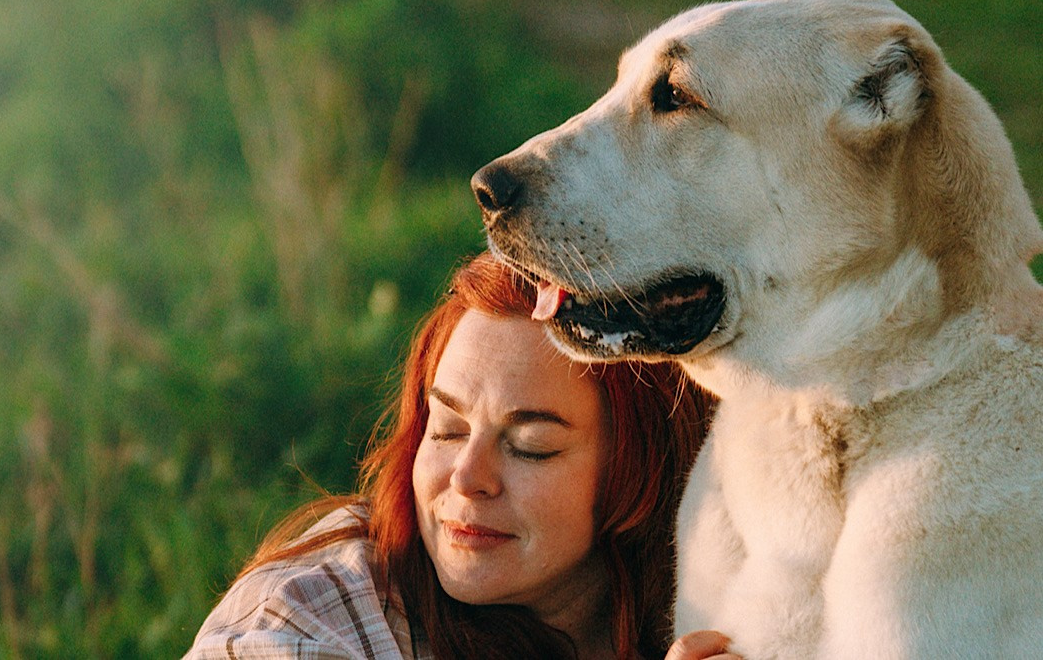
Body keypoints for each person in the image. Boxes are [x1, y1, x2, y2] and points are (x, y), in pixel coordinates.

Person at [183, 253, 741, 660]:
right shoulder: (307, 620)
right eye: (446, 429)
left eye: (530, 447)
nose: (467, 477)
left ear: (643, 468)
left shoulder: (736, 601)